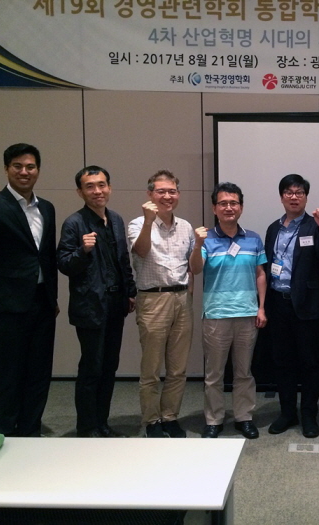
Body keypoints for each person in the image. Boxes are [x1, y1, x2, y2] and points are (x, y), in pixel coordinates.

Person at [0, 143, 58, 437]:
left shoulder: (46, 207)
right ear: (7, 169)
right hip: (7, 303)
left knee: (39, 372)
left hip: (41, 301)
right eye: (18, 166)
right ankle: (5, 434)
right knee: (10, 373)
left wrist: (53, 298)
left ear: (38, 170)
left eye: (30, 166)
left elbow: (46, 256)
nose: (25, 172)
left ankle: (31, 430)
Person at [57, 166, 136, 438]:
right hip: (90, 306)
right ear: (80, 192)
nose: (97, 191)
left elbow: (123, 260)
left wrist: (130, 292)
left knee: (109, 366)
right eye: (90, 186)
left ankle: (102, 423)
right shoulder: (74, 223)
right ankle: (87, 427)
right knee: (92, 367)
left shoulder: (116, 220)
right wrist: (83, 250)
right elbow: (64, 264)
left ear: (109, 188)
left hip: (115, 303)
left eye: (102, 185)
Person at [189, 182, 267, 439]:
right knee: (214, 374)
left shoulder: (253, 238)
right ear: (214, 208)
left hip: (247, 314)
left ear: (241, 207)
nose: (228, 208)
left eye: (233, 203)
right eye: (223, 203)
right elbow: (195, 269)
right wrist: (197, 244)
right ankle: (214, 419)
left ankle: (244, 417)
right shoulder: (206, 238)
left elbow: (260, 274)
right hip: (216, 315)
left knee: (244, 372)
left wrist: (261, 308)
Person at [264, 174, 319, 438]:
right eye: (289, 192)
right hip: (278, 303)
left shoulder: (315, 225)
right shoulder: (273, 228)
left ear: (306, 197)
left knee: (310, 363)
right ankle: (287, 413)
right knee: (282, 362)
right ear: (281, 196)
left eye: (299, 193)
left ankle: (308, 415)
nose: (294, 197)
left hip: (307, 305)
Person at [128, 170, 196, 438]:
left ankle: (170, 416)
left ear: (178, 194)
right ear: (150, 194)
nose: (167, 196)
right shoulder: (137, 224)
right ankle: (151, 420)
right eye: (161, 191)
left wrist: (189, 292)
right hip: (153, 300)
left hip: (182, 299)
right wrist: (148, 221)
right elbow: (141, 251)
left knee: (178, 368)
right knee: (152, 369)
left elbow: (192, 266)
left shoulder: (186, 227)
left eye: (172, 191)